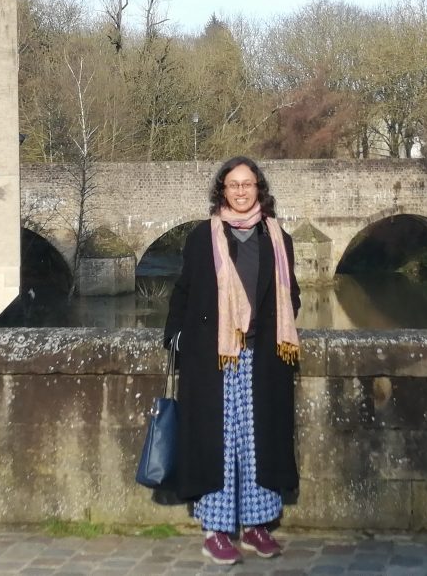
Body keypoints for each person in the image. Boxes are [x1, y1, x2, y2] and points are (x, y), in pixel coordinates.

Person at [164, 156, 301, 566]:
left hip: (263, 357)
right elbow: (184, 292)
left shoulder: (279, 239)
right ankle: (217, 530)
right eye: (232, 185)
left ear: (259, 188)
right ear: (222, 191)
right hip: (215, 357)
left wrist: (277, 320)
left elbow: (291, 294)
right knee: (220, 442)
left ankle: (258, 525)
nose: (241, 191)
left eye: (248, 184)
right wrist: (176, 340)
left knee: (259, 441)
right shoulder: (201, 239)